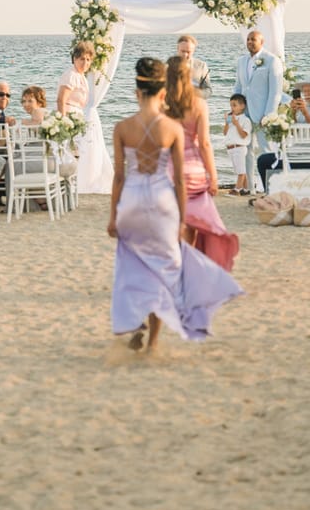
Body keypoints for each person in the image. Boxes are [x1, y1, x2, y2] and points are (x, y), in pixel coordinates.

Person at [108, 58, 243, 353]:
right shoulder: (172, 128)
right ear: (160, 93)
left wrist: (112, 216)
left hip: (131, 202)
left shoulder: (121, 127)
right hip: (162, 200)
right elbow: (179, 180)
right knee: (164, 269)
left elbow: (118, 177)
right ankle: (154, 343)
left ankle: (135, 322)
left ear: (136, 92)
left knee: (133, 267)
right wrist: (181, 218)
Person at [165, 56, 239, 270]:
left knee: (174, 219)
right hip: (193, 170)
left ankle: (175, 263)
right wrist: (213, 177)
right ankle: (187, 264)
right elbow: (205, 143)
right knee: (193, 221)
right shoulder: (198, 104)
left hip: (168, 168)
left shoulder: (161, 103)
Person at [256, 78, 310, 191]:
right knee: (263, 160)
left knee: (268, 162)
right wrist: (294, 112)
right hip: (296, 154)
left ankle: (276, 194)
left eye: (309, 91)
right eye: (304, 91)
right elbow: (296, 133)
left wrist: (305, 113)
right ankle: (272, 194)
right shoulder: (305, 106)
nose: (306, 94)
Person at [232, 30, 284, 153]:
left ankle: (270, 167)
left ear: (262, 42)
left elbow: (275, 91)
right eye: (248, 39)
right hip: (244, 112)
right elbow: (238, 86)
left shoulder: (272, 60)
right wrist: (234, 109)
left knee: (266, 149)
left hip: (262, 113)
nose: (250, 42)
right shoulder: (241, 61)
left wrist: (268, 115)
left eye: (253, 39)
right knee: (245, 149)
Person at [223, 93, 252, 194]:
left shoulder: (245, 120)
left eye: (234, 105)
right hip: (231, 148)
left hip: (239, 147)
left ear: (242, 106)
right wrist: (227, 123)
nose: (232, 108)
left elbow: (244, 135)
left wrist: (237, 124)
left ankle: (237, 189)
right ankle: (246, 189)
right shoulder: (232, 119)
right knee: (238, 169)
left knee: (240, 171)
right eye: (231, 105)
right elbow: (225, 133)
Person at [57, 41, 93, 114]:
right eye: (82, 59)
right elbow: (61, 100)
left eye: (88, 59)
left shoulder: (81, 76)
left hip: (76, 115)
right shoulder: (71, 75)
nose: (85, 63)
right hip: (67, 115)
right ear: (75, 59)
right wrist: (63, 119)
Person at [177, 34, 212, 99]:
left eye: (188, 52)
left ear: (193, 51)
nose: (185, 54)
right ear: (177, 49)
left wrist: (197, 93)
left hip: (194, 102)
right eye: (182, 51)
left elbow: (208, 90)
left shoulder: (201, 66)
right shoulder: (168, 66)